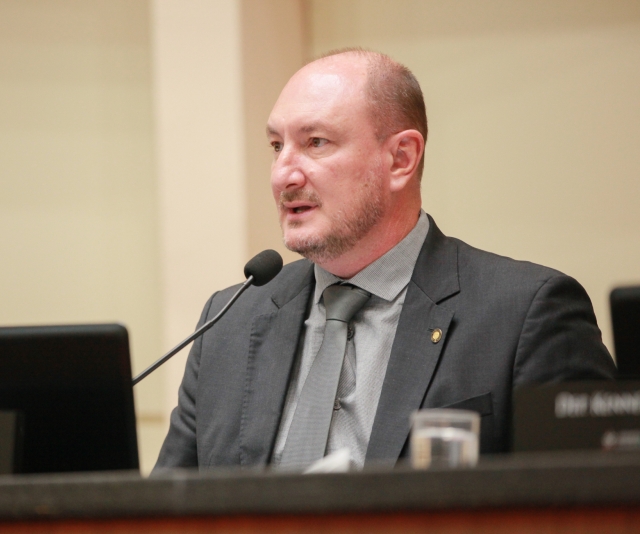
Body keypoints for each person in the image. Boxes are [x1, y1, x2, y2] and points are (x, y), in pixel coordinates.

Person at [154, 49, 615, 471]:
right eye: (277, 146)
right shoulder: (229, 322)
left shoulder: (525, 314)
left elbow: (587, 507)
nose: (283, 176)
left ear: (400, 158)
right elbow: (165, 511)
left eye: (316, 142)